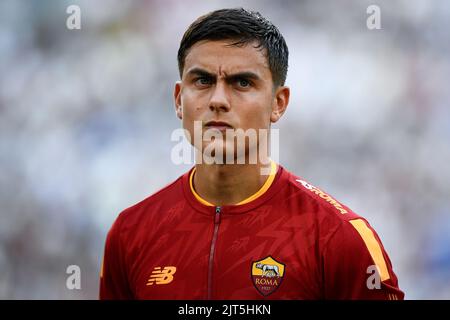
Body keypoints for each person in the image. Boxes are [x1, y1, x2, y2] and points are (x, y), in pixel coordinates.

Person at [99, 8, 404, 300]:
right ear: (179, 99)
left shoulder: (339, 239)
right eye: (202, 81)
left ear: (278, 103)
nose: (218, 100)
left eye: (242, 82)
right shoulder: (130, 233)